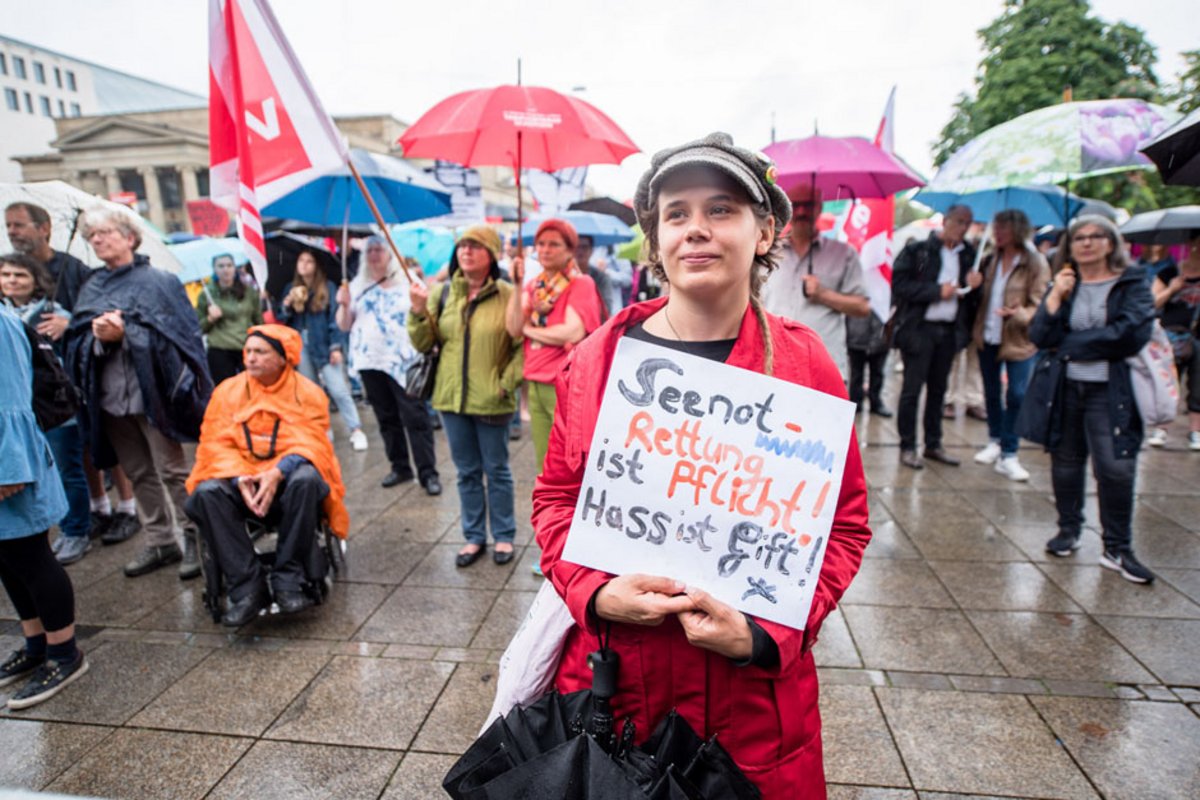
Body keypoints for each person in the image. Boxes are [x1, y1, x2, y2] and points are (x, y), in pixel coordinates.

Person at [533, 133, 871, 798]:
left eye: (721, 209)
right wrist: (595, 594)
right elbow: (556, 499)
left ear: (764, 231)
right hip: (616, 691)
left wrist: (765, 635)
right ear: (655, 239)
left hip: (752, 715)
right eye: (676, 214)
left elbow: (845, 527)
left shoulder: (806, 365)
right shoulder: (597, 358)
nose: (696, 229)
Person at [63, 207, 212, 580]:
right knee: (137, 471)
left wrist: (127, 333)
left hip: (155, 395)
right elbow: (77, 339)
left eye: (105, 232)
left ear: (130, 237)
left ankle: (196, 536)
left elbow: (182, 337)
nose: (97, 240)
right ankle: (160, 540)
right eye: (92, 235)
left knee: (172, 470)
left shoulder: (159, 281)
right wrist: (97, 338)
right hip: (110, 398)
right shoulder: (91, 286)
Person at [185, 324, 349, 626]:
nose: (250, 358)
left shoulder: (307, 393)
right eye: (248, 351)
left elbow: (311, 444)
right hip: (241, 483)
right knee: (207, 492)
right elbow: (214, 445)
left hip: (288, 487)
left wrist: (277, 472)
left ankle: (290, 579)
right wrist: (238, 478)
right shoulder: (227, 392)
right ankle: (248, 588)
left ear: (283, 357)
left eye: (260, 352)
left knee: (307, 479)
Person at [4, 201, 138, 545]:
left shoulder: (74, 270)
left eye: (19, 225)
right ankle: (97, 508)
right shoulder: (13, 281)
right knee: (74, 455)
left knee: (102, 442)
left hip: (83, 374)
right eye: (8, 226)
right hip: (44, 389)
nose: (12, 232)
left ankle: (127, 508)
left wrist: (71, 323)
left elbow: (98, 312)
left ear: (44, 228)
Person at [1031, 215, 1155, 583]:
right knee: (1066, 461)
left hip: (1111, 389)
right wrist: (1055, 297)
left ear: (1111, 242)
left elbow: (1129, 334)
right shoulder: (1065, 283)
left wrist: (1068, 345)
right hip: (1066, 387)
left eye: (1096, 236)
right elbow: (1040, 336)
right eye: (1079, 237)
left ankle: (1117, 546)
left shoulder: (1132, 283)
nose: (1086, 243)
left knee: (1115, 466)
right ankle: (1068, 529)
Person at [409, 226, 523, 567]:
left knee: (497, 470)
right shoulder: (443, 293)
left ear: (491, 254)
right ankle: (473, 536)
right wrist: (417, 311)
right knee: (466, 472)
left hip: (492, 398)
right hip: (450, 397)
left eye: (475, 246)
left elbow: (522, 345)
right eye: (462, 246)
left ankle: (503, 535)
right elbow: (424, 342)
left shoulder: (508, 294)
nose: (466, 251)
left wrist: (505, 383)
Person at [0, 302, 88, 709]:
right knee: (6, 559)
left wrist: (9, 468)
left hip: (11, 463)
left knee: (30, 555)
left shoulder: (2, 324)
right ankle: (36, 644)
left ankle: (64, 653)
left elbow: (12, 401)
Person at [0, 254, 92, 565]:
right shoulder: (8, 312)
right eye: (6, 275)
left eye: (20, 275)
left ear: (35, 280)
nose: (12, 281)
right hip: (28, 417)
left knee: (68, 470)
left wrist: (67, 326)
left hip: (49, 409)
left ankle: (76, 530)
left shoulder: (51, 313)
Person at [335, 236, 440, 494]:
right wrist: (343, 305)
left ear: (390, 254)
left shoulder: (408, 280)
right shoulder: (356, 285)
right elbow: (344, 325)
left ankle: (428, 472)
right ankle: (400, 466)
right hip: (370, 360)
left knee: (416, 417)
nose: (374, 255)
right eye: (369, 250)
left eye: (379, 249)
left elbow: (425, 313)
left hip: (404, 361)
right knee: (386, 417)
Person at [505, 219, 605, 471]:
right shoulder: (534, 286)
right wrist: (516, 285)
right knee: (544, 461)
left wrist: (530, 331)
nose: (545, 250)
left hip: (566, 384)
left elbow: (572, 331)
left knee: (570, 461)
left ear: (570, 250)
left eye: (554, 244)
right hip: (535, 381)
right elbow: (513, 328)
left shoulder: (581, 283)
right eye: (540, 244)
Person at [891, 205, 982, 469]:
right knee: (912, 390)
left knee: (938, 391)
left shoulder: (969, 255)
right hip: (919, 330)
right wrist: (935, 291)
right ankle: (908, 445)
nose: (963, 228)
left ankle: (933, 443)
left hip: (949, 331)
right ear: (945, 221)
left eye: (967, 223)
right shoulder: (918, 250)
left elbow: (973, 300)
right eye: (959, 221)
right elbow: (900, 285)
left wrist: (975, 286)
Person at [970, 210, 1050, 481]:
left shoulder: (1035, 262)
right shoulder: (989, 259)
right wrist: (972, 285)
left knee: (1016, 393)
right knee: (991, 392)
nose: (997, 232)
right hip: (988, 334)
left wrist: (1018, 314)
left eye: (1003, 227)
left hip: (1019, 339)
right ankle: (995, 439)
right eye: (996, 227)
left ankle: (1010, 451)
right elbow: (978, 298)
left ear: (1017, 229)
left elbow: (1041, 303)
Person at [762, 183, 870, 380]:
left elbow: (862, 307)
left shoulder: (844, 254)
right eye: (796, 205)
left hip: (824, 366)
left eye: (809, 205)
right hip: (773, 365)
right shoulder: (766, 252)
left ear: (820, 207)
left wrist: (823, 294)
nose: (802, 212)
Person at [277, 250, 367, 452]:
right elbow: (283, 319)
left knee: (338, 389)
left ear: (316, 265)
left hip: (324, 344)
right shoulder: (291, 288)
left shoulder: (327, 287)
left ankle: (355, 429)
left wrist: (336, 347)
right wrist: (287, 304)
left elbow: (335, 319)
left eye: (309, 261)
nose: (304, 264)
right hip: (301, 345)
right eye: (301, 260)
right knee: (312, 392)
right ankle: (323, 428)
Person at [1150, 233, 1200, 450]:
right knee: (1168, 383)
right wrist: (1172, 289)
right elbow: (1151, 303)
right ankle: (1161, 428)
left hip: (1198, 337)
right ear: (1191, 244)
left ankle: (1196, 431)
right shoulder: (1169, 272)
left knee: (1198, 386)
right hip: (1170, 336)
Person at [195, 253, 263, 385]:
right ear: (214, 269)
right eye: (221, 266)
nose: (225, 269)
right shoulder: (206, 294)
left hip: (246, 347)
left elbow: (258, 320)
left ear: (235, 268)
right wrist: (210, 318)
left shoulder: (249, 292)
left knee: (252, 386)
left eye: (229, 265)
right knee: (225, 390)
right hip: (220, 349)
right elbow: (198, 328)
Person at [845, 309, 892, 416]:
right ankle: (855, 402)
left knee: (877, 373)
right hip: (856, 337)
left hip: (881, 337)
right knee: (856, 374)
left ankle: (876, 402)